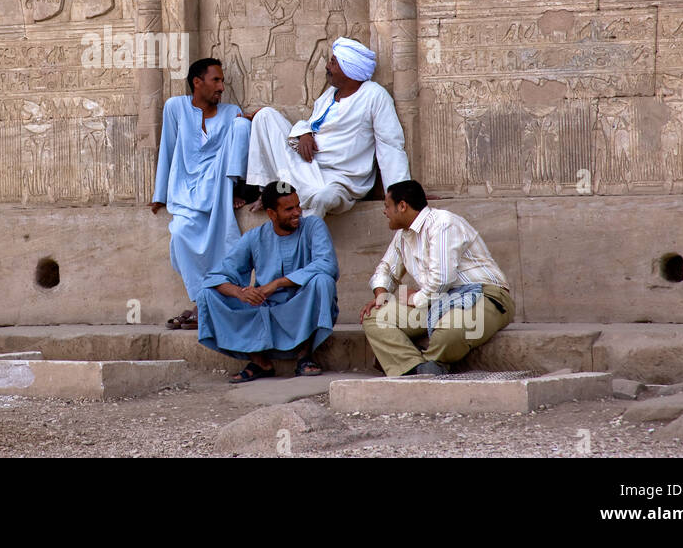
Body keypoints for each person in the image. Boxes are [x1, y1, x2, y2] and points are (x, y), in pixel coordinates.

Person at [359, 180, 514, 376]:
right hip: (435, 300)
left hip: (484, 295)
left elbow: (442, 280)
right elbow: (386, 270)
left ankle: (423, 365)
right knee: (374, 317)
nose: (385, 212)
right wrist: (381, 297)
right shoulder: (402, 236)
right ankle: (415, 368)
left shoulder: (442, 223)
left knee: (449, 332)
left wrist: (413, 299)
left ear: (402, 206)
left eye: (387, 206)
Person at [247, 37, 408, 218]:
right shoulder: (330, 94)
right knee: (265, 116)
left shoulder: (374, 95)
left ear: (349, 69)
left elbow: (390, 146)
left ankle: (294, 214)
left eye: (333, 62)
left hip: (338, 178)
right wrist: (305, 134)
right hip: (307, 166)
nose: (327, 66)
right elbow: (311, 123)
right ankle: (272, 193)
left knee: (323, 197)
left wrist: (401, 195)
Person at [197, 181, 339, 382]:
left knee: (323, 281)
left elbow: (327, 265)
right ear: (271, 213)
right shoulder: (255, 236)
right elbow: (216, 276)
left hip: (300, 306)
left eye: (298, 206)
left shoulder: (314, 226)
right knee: (208, 294)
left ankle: (304, 356)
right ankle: (259, 361)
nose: (297, 212)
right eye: (289, 209)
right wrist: (240, 292)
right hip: (264, 308)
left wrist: (277, 284)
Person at [152, 58, 251, 330]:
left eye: (222, 80)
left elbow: (238, 149)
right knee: (181, 233)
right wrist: (160, 193)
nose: (222, 86)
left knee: (243, 125)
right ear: (197, 82)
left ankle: (203, 307)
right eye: (216, 80)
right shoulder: (176, 107)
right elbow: (168, 148)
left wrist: (233, 187)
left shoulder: (232, 113)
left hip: (220, 186)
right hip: (185, 189)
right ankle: (202, 301)